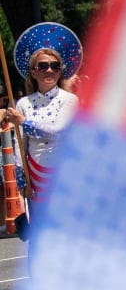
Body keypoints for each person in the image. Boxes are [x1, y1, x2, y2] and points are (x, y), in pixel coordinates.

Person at [1, 22, 83, 215]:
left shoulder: (69, 100)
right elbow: (20, 146)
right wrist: (23, 183)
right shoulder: (23, 104)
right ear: (33, 71)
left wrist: (24, 121)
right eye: (43, 66)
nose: (49, 70)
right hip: (35, 180)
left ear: (60, 71)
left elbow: (57, 131)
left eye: (54, 66)